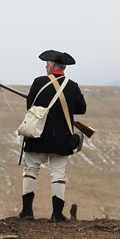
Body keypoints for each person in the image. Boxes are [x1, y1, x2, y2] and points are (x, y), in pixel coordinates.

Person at [19, 49, 87, 222]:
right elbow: (81, 109)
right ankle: (57, 214)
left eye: (47, 63)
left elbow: (30, 106)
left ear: (52, 65)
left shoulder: (39, 82)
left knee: (31, 171)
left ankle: (27, 212)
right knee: (58, 174)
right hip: (62, 138)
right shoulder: (72, 86)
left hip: (38, 135)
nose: (45, 66)